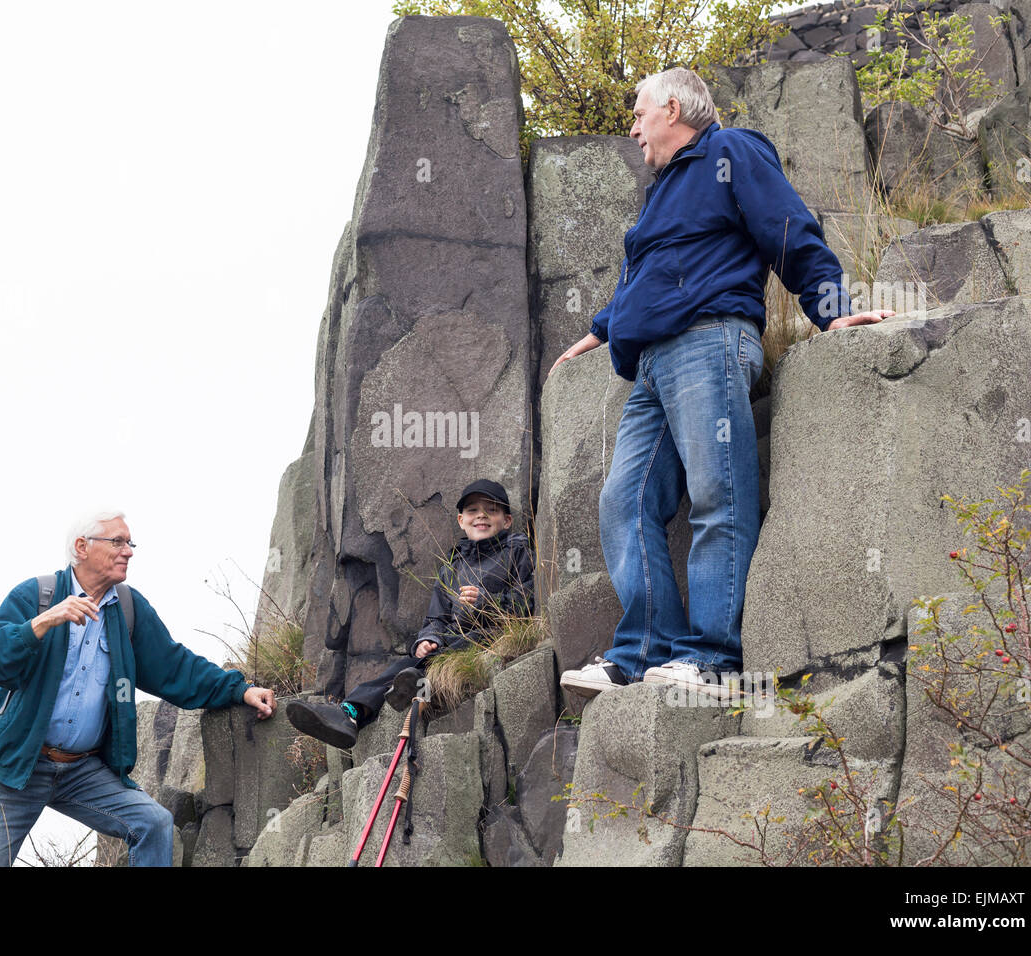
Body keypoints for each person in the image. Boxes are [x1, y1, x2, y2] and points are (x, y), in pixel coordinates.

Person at [554, 68, 892, 702]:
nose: (631, 128)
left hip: (709, 341)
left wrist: (832, 306)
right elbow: (651, 270)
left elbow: (787, 228)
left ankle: (711, 659)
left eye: (638, 113)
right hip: (651, 363)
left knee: (718, 494)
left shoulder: (732, 151)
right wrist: (603, 328)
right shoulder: (661, 191)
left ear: (673, 108)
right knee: (621, 504)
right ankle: (641, 653)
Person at [0, 510, 276, 866]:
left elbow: (174, 667)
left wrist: (240, 690)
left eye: (130, 543)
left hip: (81, 771)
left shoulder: (127, 609)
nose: (128, 550)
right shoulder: (37, 596)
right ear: (81, 547)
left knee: (154, 823)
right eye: (117, 542)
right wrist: (44, 621)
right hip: (17, 764)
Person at [287, 479, 535, 747]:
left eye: (492, 509)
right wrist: (428, 640)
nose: (482, 515)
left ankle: (394, 692)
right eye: (473, 510)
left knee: (426, 662)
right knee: (406, 663)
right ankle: (351, 713)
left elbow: (527, 603)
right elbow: (436, 619)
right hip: (450, 647)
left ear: (507, 520)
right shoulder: (452, 566)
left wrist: (485, 601)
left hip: (491, 641)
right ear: (461, 520)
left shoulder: (519, 551)